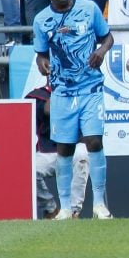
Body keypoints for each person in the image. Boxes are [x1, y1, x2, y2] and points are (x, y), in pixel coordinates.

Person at [32, 0, 115, 220]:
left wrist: (101, 52)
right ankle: (66, 207)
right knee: (65, 149)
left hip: (90, 88)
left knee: (94, 142)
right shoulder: (41, 20)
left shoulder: (89, 9)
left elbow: (107, 37)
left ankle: (99, 204)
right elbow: (41, 54)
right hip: (62, 92)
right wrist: (42, 62)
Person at [27, 84, 90, 220]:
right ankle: (51, 208)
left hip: (73, 148)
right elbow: (49, 110)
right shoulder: (38, 94)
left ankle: (74, 211)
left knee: (82, 153)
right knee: (29, 169)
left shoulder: (82, 91)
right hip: (49, 151)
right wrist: (61, 89)